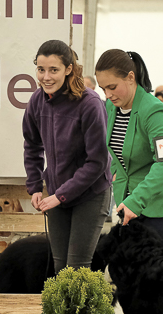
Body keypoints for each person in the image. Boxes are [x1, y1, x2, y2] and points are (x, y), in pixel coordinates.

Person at [22, 40, 111, 271]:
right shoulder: (36, 101)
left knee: (77, 267)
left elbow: (97, 162)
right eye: (41, 69)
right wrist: (35, 186)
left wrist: (60, 196)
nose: (46, 77)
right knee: (60, 267)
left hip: (90, 194)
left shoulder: (90, 103)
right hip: (57, 194)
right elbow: (32, 146)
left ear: (68, 69)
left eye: (54, 70)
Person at [96, 48, 163, 249]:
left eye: (112, 87)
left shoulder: (154, 109)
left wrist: (136, 200)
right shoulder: (111, 106)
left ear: (131, 77)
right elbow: (114, 152)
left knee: (159, 268)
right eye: (103, 89)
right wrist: (115, 176)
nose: (108, 94)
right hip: (129, 204)